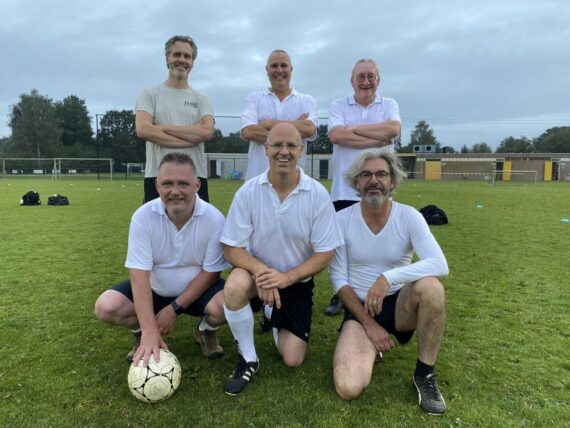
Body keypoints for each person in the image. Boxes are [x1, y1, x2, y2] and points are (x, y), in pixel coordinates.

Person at [221, 123, 342, 395]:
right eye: (276, 145)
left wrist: (286, 278)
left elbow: (326, 252)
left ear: (301, 150)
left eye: (291, 146)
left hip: (296, 281)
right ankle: (248, 359)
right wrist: (262, 272)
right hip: (257, 276)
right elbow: (231, 248)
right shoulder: (248, 192)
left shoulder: (317, 194)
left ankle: (269, 312)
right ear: (266, 149)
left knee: (293, 358)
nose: (283, 151)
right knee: (235, 285)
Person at [329, 149, 449, 415]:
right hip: (361, 309)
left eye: (382, 174)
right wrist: (369, 324)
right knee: (348, 387)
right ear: (356, 182)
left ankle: (425, 375)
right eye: (366, 175)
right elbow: (338, 279)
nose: (374, 180)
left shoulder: (409, 216)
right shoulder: (340, 220)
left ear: (392, 181)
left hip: (400, 305)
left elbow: (439, 264)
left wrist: (388, 278)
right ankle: (371, 346)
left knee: (432, 288)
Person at [94, 152, 227, 366]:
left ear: (196, 185)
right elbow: (139, 275)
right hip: (154, 290)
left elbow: (211, 273)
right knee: (106, 307)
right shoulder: (143, 217)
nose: (175, 191)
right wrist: (148, 330)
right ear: (157, 185)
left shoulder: (214, 218)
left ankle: (205, 331)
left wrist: (174, 308)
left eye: (183, 183)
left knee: (231, 303)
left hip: (197, 293)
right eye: (167, 184)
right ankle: (141, 334)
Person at [324, 59, 401, 316]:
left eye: (370, 76)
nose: (365, 81)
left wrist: (354, 129)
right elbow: (336, 136)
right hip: (344, 190)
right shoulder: (338, 105)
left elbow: (393, 130)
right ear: (352, 80)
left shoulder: (389, 104)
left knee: (376, 241)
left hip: (379, 188)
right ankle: (340, 293)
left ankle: (374, 290)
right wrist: (376, 137)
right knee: (342, 244)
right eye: (361, 76)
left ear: (378, 79)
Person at [136, 35, 214, 204]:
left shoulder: (202, 99)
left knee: (198, 230)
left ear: (193, 62)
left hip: (195, 177)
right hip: (157, 176)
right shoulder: (149, 94)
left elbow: (206, 132)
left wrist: (160, 128)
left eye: (187, 56)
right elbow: (143, 129)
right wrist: (190, 137)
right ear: (167, 58)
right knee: (157, 230)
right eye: (177, 54)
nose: (182, 60)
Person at [241, 49, 318, 181]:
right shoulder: (254, 98)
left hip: (294, 184)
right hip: (257, 181)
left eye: (284, 65)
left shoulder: (306, 100)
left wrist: (269, 124)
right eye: (274, 66)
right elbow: (248, 132)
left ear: (291, 69)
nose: (279, 70)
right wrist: (295, 129)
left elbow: (309, 129)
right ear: (267, 69)